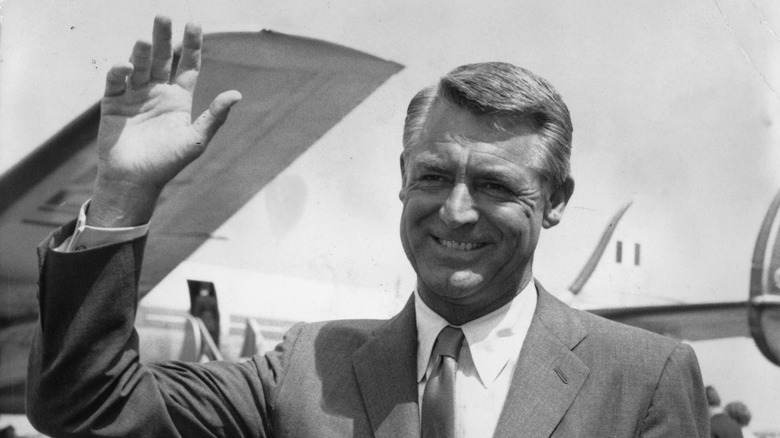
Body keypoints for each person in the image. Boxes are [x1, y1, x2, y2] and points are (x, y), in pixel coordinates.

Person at [26, 16, 710, 437]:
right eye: (435, 176)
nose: (457, 210)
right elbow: (88, 408)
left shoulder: (644, 377)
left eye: (496, 185)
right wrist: (120, 194)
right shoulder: (303, 372)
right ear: (403, 177)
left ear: (556, 200)